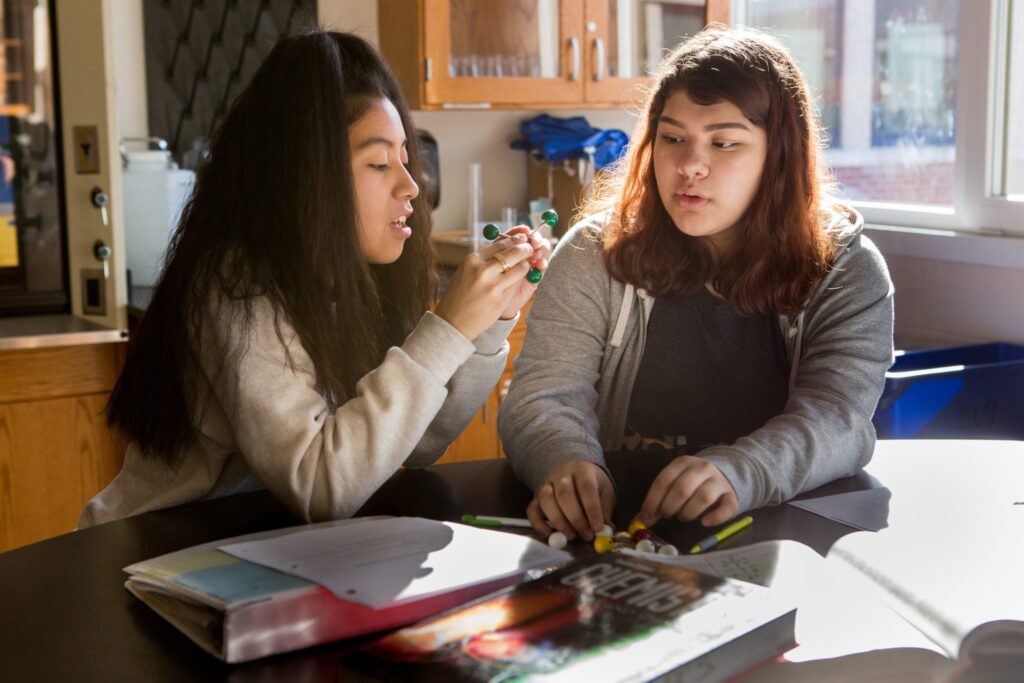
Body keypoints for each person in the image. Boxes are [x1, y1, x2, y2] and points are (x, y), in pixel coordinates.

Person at [79, 30, 549, 527]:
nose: (411, 187)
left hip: (256, 548)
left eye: (406, 163)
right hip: (152, 552)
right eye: (379, 163)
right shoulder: (236, 286)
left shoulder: (349, 281)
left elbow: (413, 445)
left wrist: (490, 322)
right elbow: (320, 486)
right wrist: (449, 327)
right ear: (309, 176)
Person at [499, 26, 894, 542]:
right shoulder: (592, 252)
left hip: (775, 538)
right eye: (672, 137)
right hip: (619, 534)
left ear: (778, 157)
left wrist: (741, 471)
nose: (689, 166)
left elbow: (839, 421)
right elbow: (542, 397)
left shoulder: (847, 268)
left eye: (724, 142)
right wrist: (566, 462)